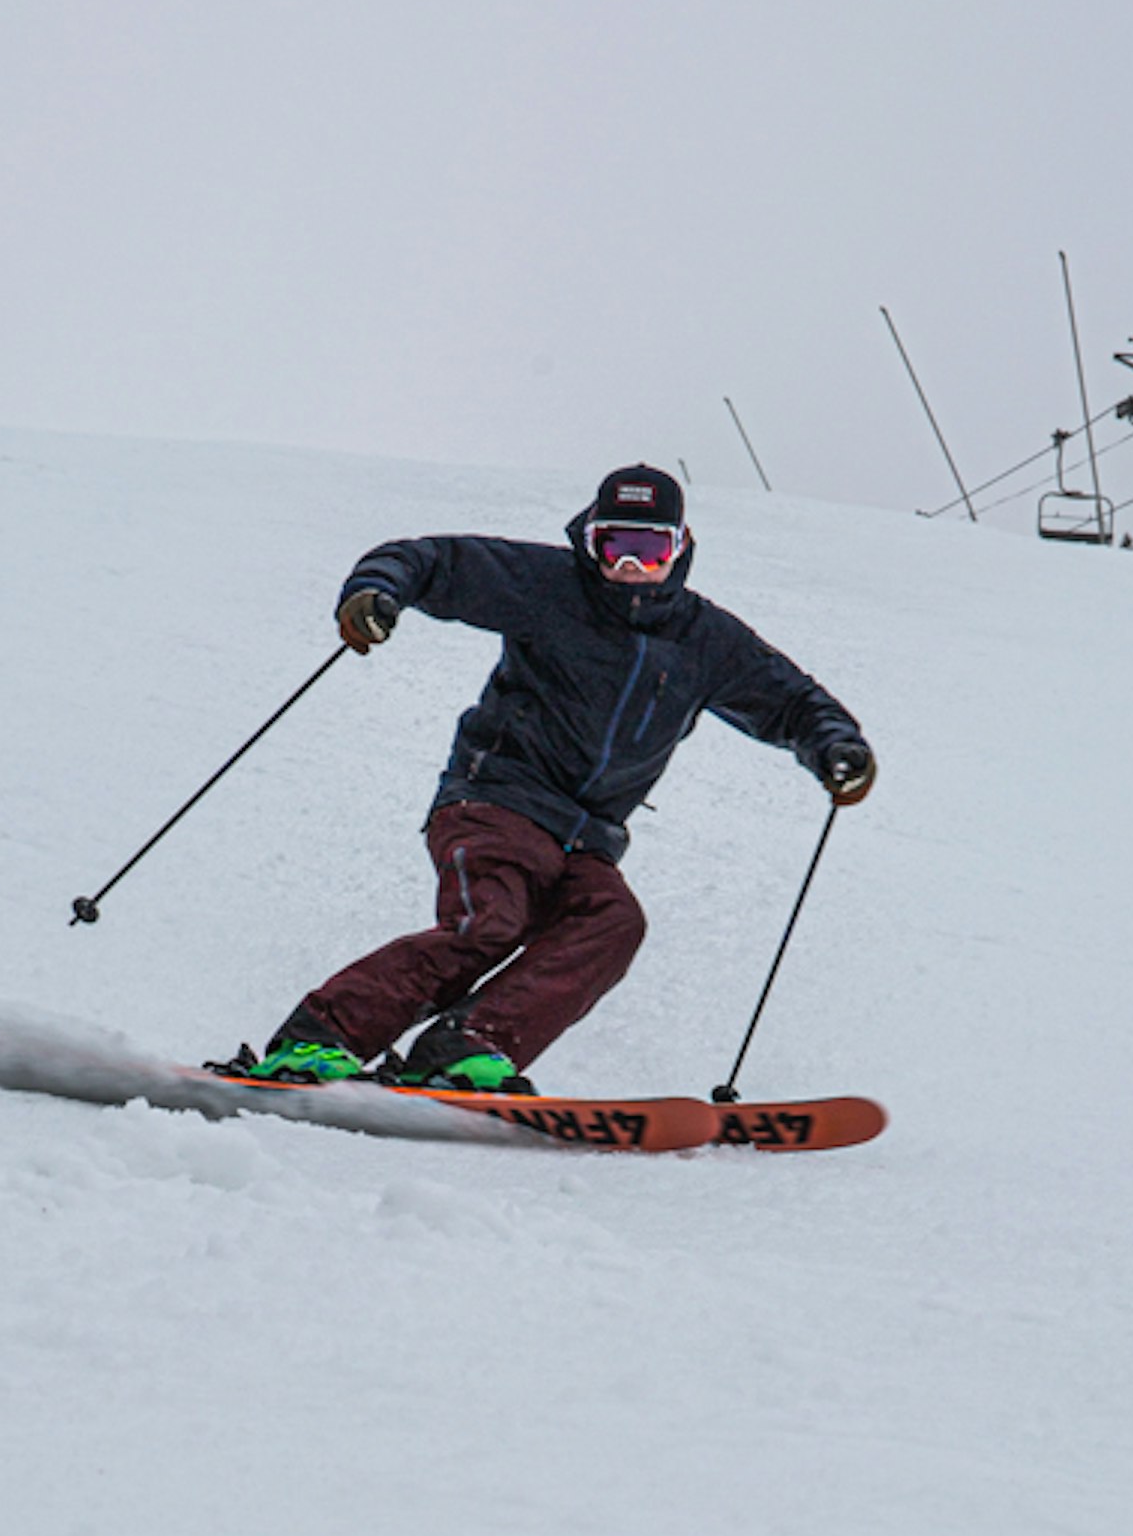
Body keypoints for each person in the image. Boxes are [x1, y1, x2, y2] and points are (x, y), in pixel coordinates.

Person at [243, 465, 875, 1093]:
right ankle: (320, 1037)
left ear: (680, 549)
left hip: (588, 837)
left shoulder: (705, 640)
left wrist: (836, 747)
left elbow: (792, 702)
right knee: (492, 920)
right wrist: (377, 593)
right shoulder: (550, 587)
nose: (631, 566)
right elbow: (432, 561)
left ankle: (467, 1045)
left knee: (611, 922)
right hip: (497, 800)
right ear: (591, 541)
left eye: (650, 549)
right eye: (616, 547)